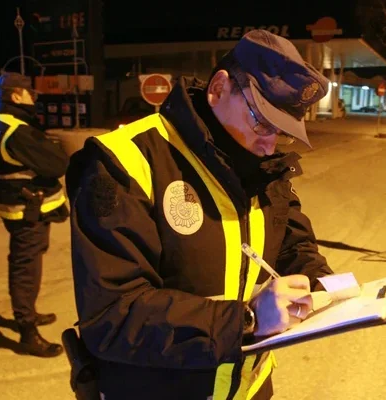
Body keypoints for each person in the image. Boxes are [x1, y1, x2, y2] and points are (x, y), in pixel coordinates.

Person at [66, 30, 335, 399]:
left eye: (283, 131)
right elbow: (113, 313)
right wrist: (247, 320)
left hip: (248, 388)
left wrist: (323, 286)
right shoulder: (125, 163)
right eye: (262, 121)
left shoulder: (267, 167)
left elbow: (292, 244)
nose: (269, 142)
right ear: (219, 88)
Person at [0, 73, 69, 357]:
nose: (34, 97)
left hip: (22, 207)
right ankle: (27, 331)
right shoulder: (18, 130)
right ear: (16, 95)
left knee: (28, 262)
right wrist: (53, 148)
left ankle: (28, 312)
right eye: (29, 92)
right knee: (25, 268)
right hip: (26, 211)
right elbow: (57, 163)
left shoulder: (0, 122)